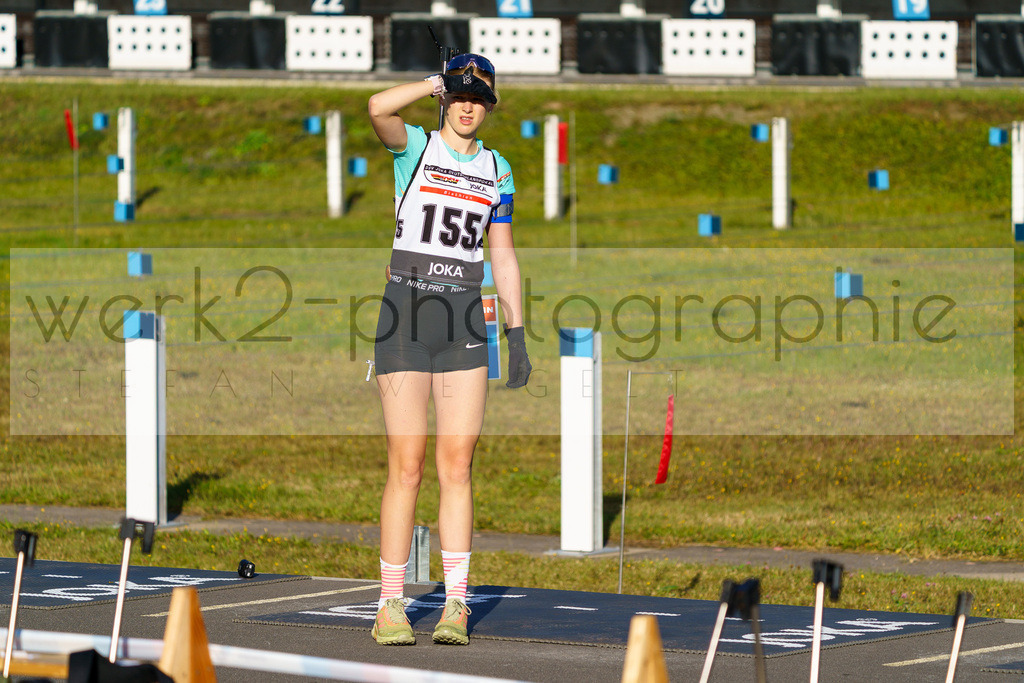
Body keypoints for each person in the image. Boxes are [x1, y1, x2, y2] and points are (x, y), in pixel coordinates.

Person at [366, 53, 532, 646]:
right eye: (459, 95)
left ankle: (455, 604)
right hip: (405, 313)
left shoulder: (498, 168)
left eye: (479, 99)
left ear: (489, 107)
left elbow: (504, 256)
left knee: (457, 466)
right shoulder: (412, 146)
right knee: (406, 467)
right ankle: (390, 604)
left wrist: (515, 333)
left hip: (464, 315)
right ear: (444, 97)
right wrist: (432, 83)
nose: (468, 106)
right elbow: (376, 107)